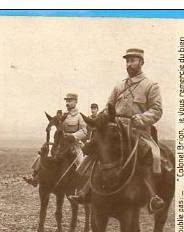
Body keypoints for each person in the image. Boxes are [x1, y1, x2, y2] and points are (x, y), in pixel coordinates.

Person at [69, 48, 165, 213]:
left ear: (141, 62)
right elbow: (107, 109)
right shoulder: (119, 86)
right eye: (127, 61)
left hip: (137, 130)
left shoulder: (151, 86)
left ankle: (152, 196)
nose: (129, 64)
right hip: (115, 128)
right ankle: (85, 191)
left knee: (148, 154)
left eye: (133, 60)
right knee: (97, 147)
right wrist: (96, 121)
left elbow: (157, 110)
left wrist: (141, 119)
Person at [23, 93, 88, 187]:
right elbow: (55, 126)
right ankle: (35, 177)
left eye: (70, 101)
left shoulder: (79, 116)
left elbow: (84, 131)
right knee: (44, 153)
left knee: (81, 162)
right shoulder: (61, 115)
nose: (67, 103)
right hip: (60, 143)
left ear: (76, 102)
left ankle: (82, 187)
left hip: (74, 144)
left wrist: (73, 136)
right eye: (67, 101)